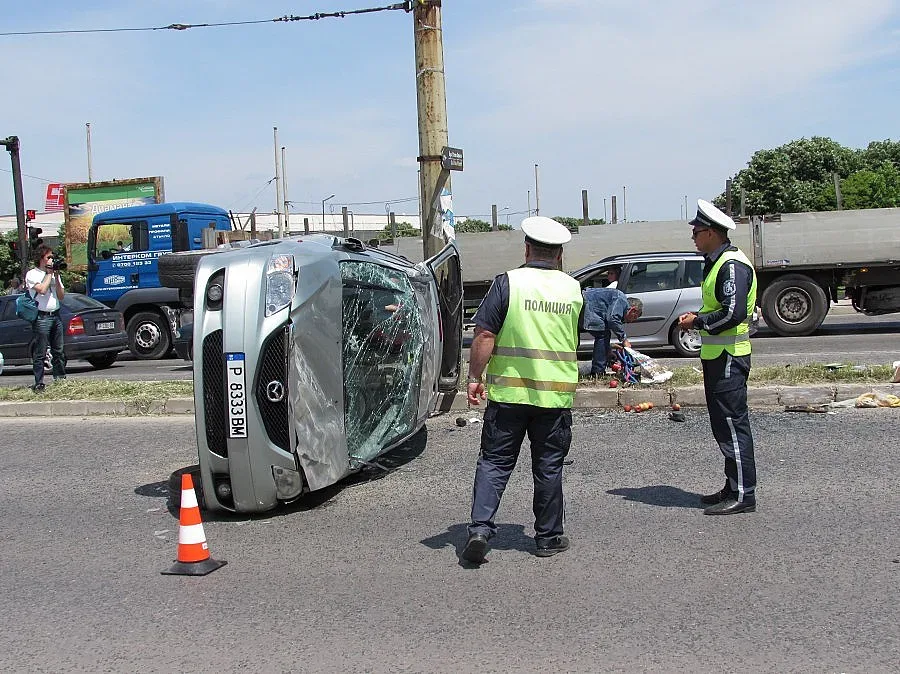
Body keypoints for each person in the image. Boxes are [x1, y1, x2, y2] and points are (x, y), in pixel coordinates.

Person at [462, 216, 583, 563]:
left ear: (527, 248)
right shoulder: (573, 289)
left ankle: (481, 530)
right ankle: (548, 538)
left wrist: (474, 378)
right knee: (548, 466)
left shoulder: (507, 284)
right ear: (559, 255)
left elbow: (485, 335)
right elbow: (574, 339)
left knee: (495, 463)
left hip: (508, 398)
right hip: (554, 398)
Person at [677, 199, 758, 515]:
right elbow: (719, 308)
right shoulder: (716, 261)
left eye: (696, 232)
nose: (693, 237)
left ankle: (743, 495)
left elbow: (733, 314)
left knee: (733, 425)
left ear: (711, 232)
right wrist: (698, 315)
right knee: (723, 425)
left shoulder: (731, 265)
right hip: (717, 356)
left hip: (729, 358)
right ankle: (732, 485)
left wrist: (696, 322)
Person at [24, 244, 67, 392]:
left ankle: (60, 379)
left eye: (52, 257)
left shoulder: (54, 274)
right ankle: (39, 382)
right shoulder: (32, 274)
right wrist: (49, 274)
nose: (51, 260)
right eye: (48, 257)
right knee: (40, 351)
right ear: (41, 259)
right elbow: (42, 290)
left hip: (56, 315)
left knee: (59, 350)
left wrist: (56, 275)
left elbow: (61, 296)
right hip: (42, 317)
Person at [582, 287, 642, 376]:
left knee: (604, 332)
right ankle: (598, 372)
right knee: (602, 334)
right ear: (633, 310)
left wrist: (608, 351)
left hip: (583, 303)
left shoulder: (618, 299)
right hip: (586, 305)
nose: (631, 321)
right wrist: (624, 339)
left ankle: (599, 367)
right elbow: (613, 319)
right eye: (634, 317)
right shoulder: (621, 299)